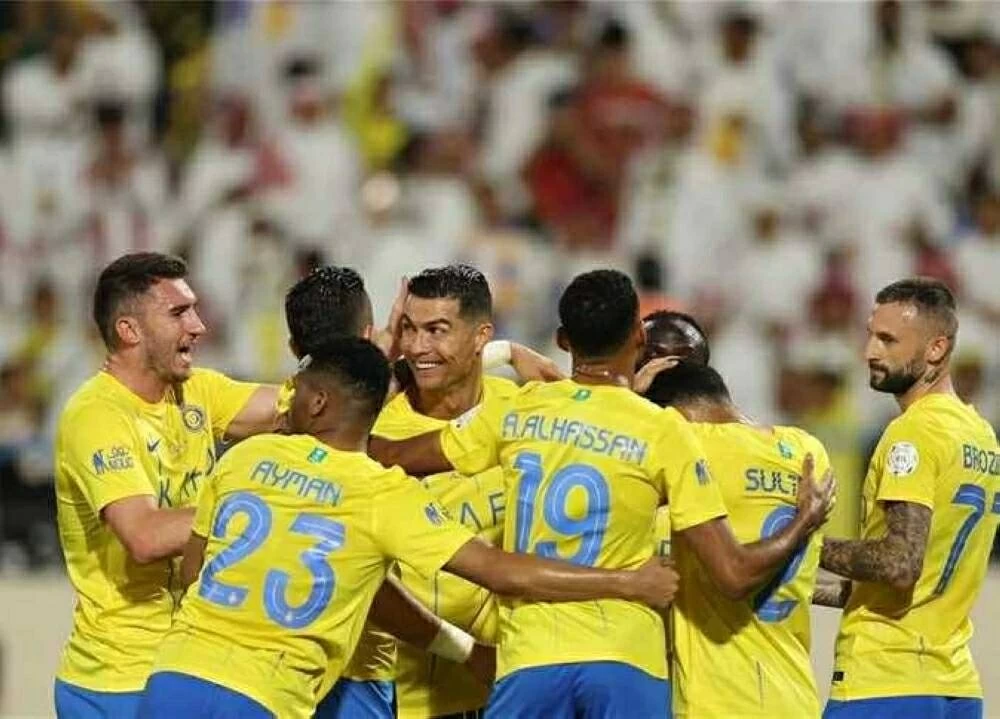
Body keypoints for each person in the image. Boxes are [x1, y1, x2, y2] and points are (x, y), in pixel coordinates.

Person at [370, 269, 834, 718]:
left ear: (563, 340)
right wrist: (804, 521)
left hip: (530, 656)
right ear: (637, 337)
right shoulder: (663, 431)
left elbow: (384, 452)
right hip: (625, 656)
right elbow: (733, 573)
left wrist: (491, 355)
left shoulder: (518, 410)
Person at [138, 337, 681, 719]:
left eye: (295, 391)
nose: (286, 402)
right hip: (268, 691)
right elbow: (500, 571)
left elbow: (194, 573)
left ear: (319, 402)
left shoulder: (244, 459)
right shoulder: (383, 495)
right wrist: (626, 582)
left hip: (175, 674)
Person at [53, 252, 278, 718]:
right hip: (119, 680)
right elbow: (145, 536)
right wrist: (264, 508)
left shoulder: (198, 391)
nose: (198, 326)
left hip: (184, 667)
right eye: (179, 313)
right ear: (129, 330)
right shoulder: (96, 416)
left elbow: (310, 405)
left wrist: (378, 365)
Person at [819, 278, 999, 719]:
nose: (869, 351)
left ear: (936, 349)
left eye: (888, 340)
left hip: (885, 680)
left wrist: (804, 541)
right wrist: (790, 578)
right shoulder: (981, 436)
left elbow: (899, 563)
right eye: (870, 335)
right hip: (955, 686)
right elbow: (916, 579)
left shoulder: (913, 432)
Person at [643, 361, 833, 718]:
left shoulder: (690, 447)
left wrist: (629, 394)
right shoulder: (808, 450)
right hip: (795, 696)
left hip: (719, 701)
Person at [376, 265, 519, 719]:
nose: (418, 347)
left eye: (436, 331)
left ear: (481, 336)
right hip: (398, 696)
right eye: (409, 329)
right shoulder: (372, 430)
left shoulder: (523, 409)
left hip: (506, 689)